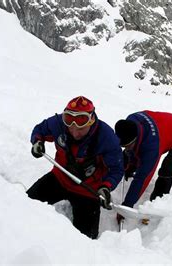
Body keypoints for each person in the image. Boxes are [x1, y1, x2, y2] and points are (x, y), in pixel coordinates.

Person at [27, 96, 124, 239]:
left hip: (87, 190)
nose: (74, 132)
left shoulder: (107, 138)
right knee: (25, 205)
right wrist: (37, 141)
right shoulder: (59, 124)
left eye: (81, 128)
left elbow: (116, 169)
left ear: (91, 122)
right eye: (70, 126)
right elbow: (40, 129)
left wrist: (106, 187)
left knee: (85, 240)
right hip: (59, 178)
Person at [114, 110, 172, 221]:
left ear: (135, 139)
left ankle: (158, 202)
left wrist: (127, 205)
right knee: (131, 153)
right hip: (168, 129)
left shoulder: (152, 147)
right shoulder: (130, 121)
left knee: (166, 169)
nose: (125, 148)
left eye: (127, 145)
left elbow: (142, 178)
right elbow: (134, 149)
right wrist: (131, 165)